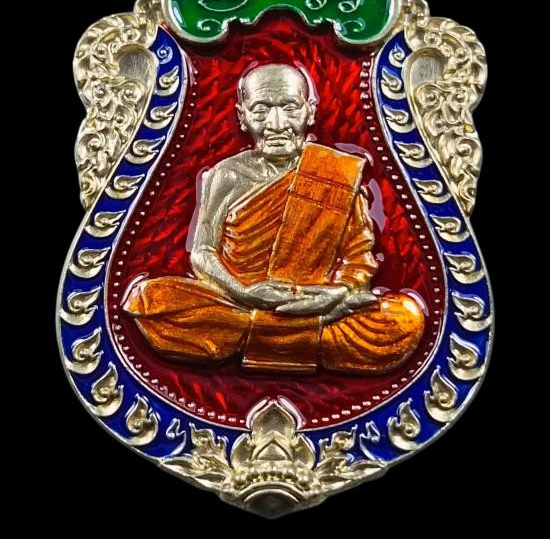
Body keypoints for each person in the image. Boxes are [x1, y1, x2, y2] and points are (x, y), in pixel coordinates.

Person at [123, 63, 424, 374]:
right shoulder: (227, 174)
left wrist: (341, 292)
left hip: (314, 301)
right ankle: (304, 331)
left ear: (310, 111)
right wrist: (243, 292)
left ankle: (262, 332)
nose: (277, 124)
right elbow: (202, 252)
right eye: (261, 110)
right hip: (239, 301)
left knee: (404, 319)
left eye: (290, 108)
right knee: (151, 300)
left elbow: (358, 257)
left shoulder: (337, 172)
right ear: (242, 116)